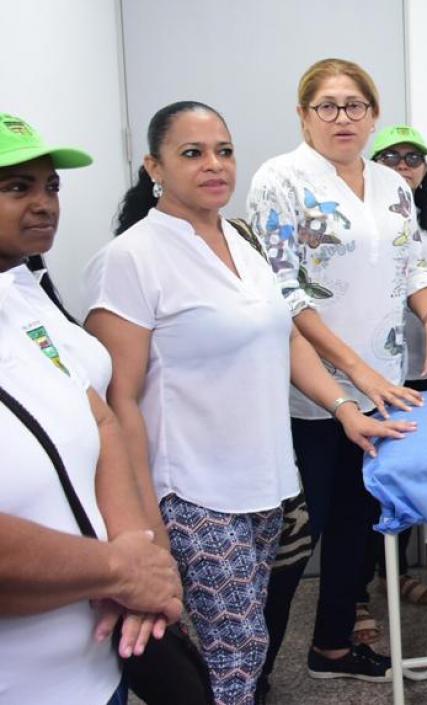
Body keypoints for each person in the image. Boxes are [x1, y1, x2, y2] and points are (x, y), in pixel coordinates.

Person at [83, 100, 415, 705]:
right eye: (192, 153)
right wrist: (144, 525)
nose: (214, 165)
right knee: (230, 663)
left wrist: (344, 410)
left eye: (224, 151)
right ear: (153, 166)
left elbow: (286, 336)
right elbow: (117, 402)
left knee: (246, 646)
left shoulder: (240, 240)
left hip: (269, 484)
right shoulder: (131, 259)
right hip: (194, 496)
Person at [246, 58, 427, 687]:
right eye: (326, 105)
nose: (342, 118)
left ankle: (331, 649)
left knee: (360, 521)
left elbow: (414, 268)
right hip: (315, 393)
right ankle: (249, 676)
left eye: (355, 105)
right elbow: (284, 291)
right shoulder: (281, 180)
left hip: (387, 385)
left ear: (373, 115)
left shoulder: (391, 186)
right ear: (303, 115)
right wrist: (352, 371)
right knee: (297, 541)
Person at [0, 112, 183, 705]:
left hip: (95, 663)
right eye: (16, 188)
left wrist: (138, 548)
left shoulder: (21, 295)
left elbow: (97, 418)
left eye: (50, 186)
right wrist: (118, 569)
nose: (45, 205)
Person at [350, 125, 427, 638]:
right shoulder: (361, 226)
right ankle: (358, 594)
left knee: (407, 481)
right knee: (367, 487)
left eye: (414, 157)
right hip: (372, 380)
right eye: (392, 156)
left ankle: (400, 571)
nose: (404, 165)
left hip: (422, 374)